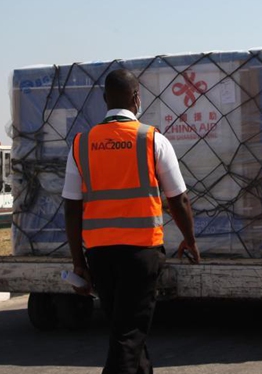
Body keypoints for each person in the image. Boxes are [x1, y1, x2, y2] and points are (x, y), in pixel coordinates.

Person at [62, 68, 200, 374]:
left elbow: (71, 207)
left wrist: (78, 262)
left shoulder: (81, 144)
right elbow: (178, 199)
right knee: (129, 333)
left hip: (99, 254)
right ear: (137, 98)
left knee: (124, 329)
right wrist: (190, 240)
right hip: (141, 252)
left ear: (105, 98)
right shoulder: (152, 140)